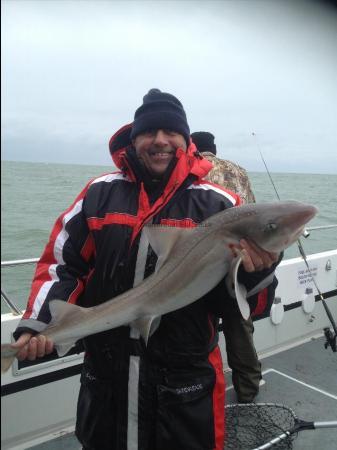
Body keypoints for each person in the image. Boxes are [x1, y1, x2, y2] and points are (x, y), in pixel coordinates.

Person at [12, 89, 280, 450]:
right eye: (149, 131)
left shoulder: (219, 204)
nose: (160, 140)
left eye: (171, 132)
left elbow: (250, 309)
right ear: (133, 138)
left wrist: (253, 274)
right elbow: (63, 264)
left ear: (186, 141)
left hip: (184, 387)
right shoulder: (98, 193)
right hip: (107, 380)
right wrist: (40, 323)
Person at [191, 131, 273, 404]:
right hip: (241, 263)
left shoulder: (194, 171)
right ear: (214, 148)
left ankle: (201, 394)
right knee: (240, 327)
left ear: (193, 147)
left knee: (201, 326)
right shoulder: (239, 171)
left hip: (207, 263)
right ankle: (248, 389)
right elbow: (255, 213)